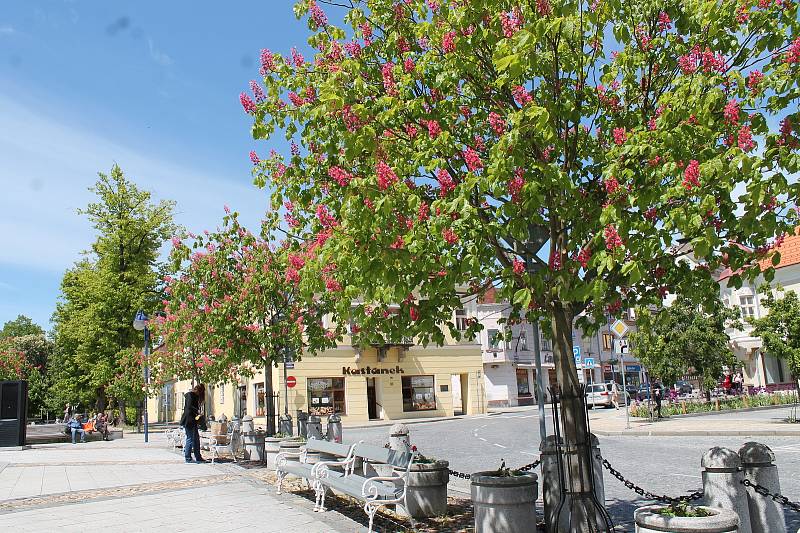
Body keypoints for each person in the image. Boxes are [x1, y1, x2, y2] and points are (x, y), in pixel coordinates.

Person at [180, 384, 206, 464]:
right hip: (188, 420)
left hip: (193, 420)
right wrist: (197, 411)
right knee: (190, 439)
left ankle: (198, 456)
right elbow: (189, 406)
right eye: (200, 392)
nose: (200, 394)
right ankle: (188, 458)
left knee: (196, 439)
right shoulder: (190, 395)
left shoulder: (195, 396)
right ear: (198, 390)